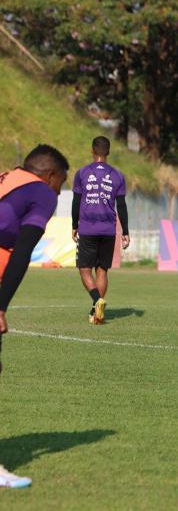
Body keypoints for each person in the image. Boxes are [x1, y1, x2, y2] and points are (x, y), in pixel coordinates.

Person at [0, 144, 69, 488]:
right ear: (51, 176)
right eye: (61, 185)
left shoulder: (8, 177)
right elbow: (23, 251)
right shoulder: (42, 192)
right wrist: (1, 305)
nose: (58, 193)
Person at [71, 136, 129, 325]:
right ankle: (97, 315)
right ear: (108, 152)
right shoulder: (118, 175)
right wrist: (126, 231)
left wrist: (74, 225)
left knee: (84, 269)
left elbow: (76, 201)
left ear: (92, 151)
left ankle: (97, 301)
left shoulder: (82, 173)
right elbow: (121, 205)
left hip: (88, 228)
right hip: (108, 229)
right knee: (102, 271)